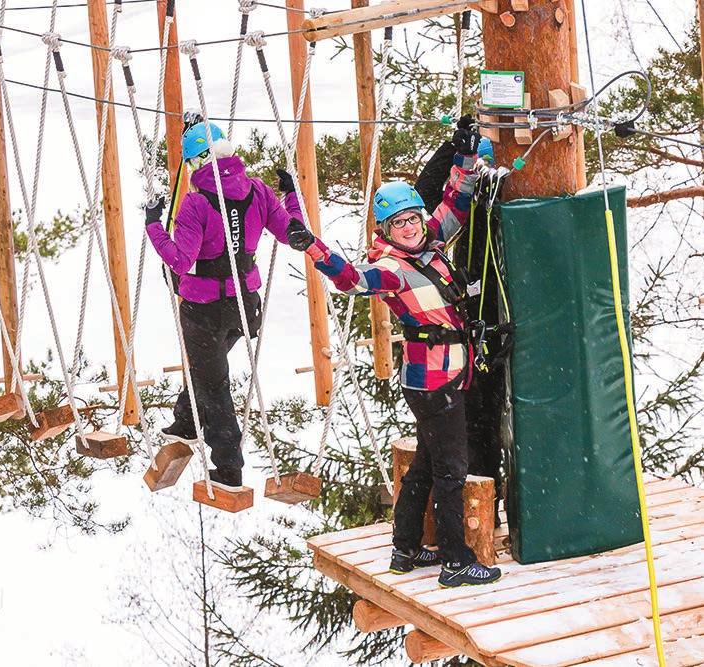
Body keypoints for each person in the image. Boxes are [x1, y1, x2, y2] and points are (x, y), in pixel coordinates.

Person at [286, 121, 502, 588]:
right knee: (451, 470)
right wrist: (316, 249)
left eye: (412, 219)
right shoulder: (393, 267)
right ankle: (455, 560)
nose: (409, 228)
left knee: (427, 461)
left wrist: (464, 156)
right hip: (434, 380)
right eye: (398, 224)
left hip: (443, 375)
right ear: (387, 230)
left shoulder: (430, 239)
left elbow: (457, 200)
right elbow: (354, 280)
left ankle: (405, 549)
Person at [144, 121, 302, 492]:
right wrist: (291, 194)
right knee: (205, 366)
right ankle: (186, 419)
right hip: (245, 307)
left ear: (198, 162)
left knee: (213, 383)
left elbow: (180, 261)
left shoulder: (197, 202)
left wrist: (153, 225)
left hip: (205, 309)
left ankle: (228, 467)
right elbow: (291, 231)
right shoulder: (258, 191)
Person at [415, 127, 507, 526]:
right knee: (468, 427)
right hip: (469, 326)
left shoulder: (505, 191)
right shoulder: (466, 207)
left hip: (493, 320)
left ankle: (486, 513)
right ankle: (477, 518)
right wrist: (456, 148)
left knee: (483, 425)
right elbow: (424, 197)